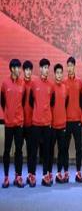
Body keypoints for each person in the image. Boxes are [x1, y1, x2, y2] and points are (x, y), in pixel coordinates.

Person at [29, 58, 54, 187]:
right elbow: (30, 102)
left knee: (46, 151)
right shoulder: (34, 84)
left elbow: (52, 102)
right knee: (33, 151)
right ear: (40, 69)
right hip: (36, 123)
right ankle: (32, 175)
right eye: (44, 67)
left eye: (47, 68)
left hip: (47, 124)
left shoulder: (51, 85)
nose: (46, 70)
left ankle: (45, 175)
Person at [1, 58, 25, 188]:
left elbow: (24, 101)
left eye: (19, 68)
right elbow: (2, 101)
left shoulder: (22, 84)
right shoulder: (5, 83)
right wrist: (8, 114)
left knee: (19, 151)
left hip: (19, 123)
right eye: (17, 68)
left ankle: (18, 176)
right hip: (9, 123)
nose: (19, 70)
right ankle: (6, 177)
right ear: (12, 69)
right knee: (6, 151)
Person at [64, 56, 82, 182]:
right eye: (68, 65)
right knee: (65, 148)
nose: (70, 68)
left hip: (77, 120)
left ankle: (78, 172)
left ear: (74, 67)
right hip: (66, 121)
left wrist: (81, 117)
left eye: (72, 65)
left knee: (78, 148)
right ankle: (66, 172)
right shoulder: (63, 82)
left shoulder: (79, 83)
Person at [50, 63, 69, 183]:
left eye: (61, 73)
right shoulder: (51, 87)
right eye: (57, 73)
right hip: (52, 125)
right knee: (50, 151)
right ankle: (50, 173)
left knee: (62, 150)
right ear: (54, 74)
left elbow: (65, 104)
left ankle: (59, 172)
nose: (59, 75)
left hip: (62, 125)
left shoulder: (65, 88)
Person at [21, 60, 35, 186]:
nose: (28, 72)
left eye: (30, 69)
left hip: (31, 124)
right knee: (18, 151)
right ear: (23, 71)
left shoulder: (34, 85)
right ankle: (18, 175)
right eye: (26, 69)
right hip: (19, 124)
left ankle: (31, 175)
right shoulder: (19, 84)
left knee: (31, 152)